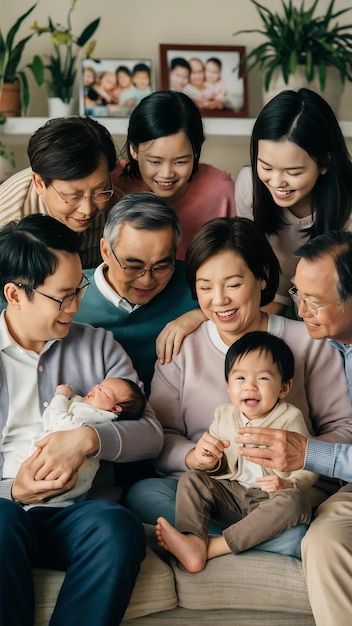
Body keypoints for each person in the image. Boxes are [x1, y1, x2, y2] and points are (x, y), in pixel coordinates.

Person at [125, 217, 352, 559]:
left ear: (261, 278)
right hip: (217, 490)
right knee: (143, 494)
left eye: (233, 285)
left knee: (296, 528)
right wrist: (193, 457)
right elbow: (161, 434)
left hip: (280, 490)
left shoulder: (310, 340)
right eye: (205, 287)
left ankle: (209, 542)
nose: (219, 301)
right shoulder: (180, 347)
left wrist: (299, 453)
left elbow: (344, 428)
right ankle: (240, 536)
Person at [0, 213, 163, 625]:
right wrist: (12, 491)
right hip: (3, 511)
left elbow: (151, 433)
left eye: (80, 289)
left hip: (74, 514)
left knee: (118, 527)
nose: (76, 305)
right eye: (62, 296)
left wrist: (89, 439)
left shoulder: (97, 345)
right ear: (15, 295)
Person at [235, 229, 352, 626]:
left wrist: (309, 453)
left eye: (315, 302)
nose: (300, 310)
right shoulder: (335, 340)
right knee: (323, 540)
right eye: (299, 294)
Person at [156, 330, 318, 572]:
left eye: (263, 379)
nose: (250, 387)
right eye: (240, 379)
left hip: (269, 498)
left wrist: (288, 485)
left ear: (284, 388)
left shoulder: (289, 417)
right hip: (233, 493)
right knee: (192, 479)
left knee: (294, 503)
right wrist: (210, 461)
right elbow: (220, 465)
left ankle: (211, 547)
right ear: (228, 386)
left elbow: (308, 464)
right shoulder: (224, 415)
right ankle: (192, 538)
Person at [235, 88, 352, 314]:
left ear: (325, 162)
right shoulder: (249, 186)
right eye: (266, 167)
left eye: (294, 172)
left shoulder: (347, 207)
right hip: (271, 300)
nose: (277, 182)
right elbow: (251, 262)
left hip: (334, 312)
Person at [74, 192, 203, 394]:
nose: (147, 280)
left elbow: (265, 308)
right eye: (133, 266)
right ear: (105, 251)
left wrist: (202, 315)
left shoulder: (196, 281)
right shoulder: (67, 291)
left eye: (161, 266)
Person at [111, 90, 235, 259]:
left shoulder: (220, 190)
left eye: (180, 162)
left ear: (196, 151)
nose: (167, 174)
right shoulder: (112, 182)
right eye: (155, 161)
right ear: (133, 149)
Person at [0, 116, 119, 268]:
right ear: (39, 183)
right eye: (73, 196)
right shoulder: (6, 219)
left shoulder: (116, 203)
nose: (87, 210)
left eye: (100, 191)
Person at [38, 378, 146, 505]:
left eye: (105, 392)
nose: (96, 388)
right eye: (99, 385)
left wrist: (60, 397)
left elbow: (61, 423)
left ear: (115, 409)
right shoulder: (84, 406)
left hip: (59, 479)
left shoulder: (96, 416)